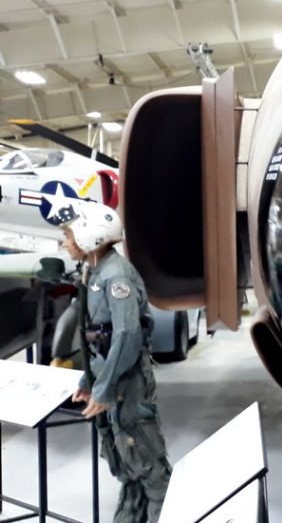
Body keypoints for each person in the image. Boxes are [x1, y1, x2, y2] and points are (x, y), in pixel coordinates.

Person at [60, 202, 171, 522]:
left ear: (91, 236)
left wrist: (104, 388)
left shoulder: (115, 276)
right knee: (126, 462)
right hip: (112, 375)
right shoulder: (95, 272)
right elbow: (101, 339)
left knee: (149, 464)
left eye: (70, 235)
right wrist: (89, 381)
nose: (66, 243)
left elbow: (126, 335)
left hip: (128, 382)